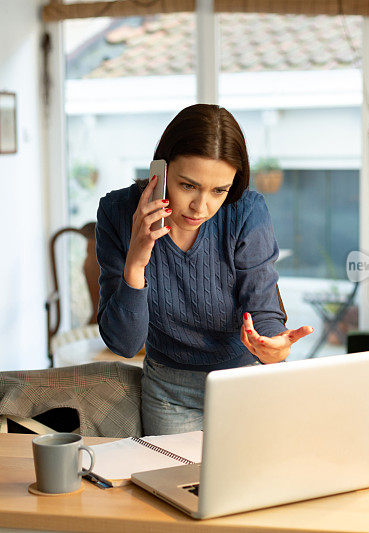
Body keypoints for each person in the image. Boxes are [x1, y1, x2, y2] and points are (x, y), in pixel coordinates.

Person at [95, 104, 313, 435]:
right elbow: (124, 343)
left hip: (244, 385)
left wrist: (272, 346)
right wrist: (137, 259)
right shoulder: (117, 212)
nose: (201, 207)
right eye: (187, 186)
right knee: (175, 485)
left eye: (218, 191)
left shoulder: (245, 212)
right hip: (170, 395)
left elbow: (263, 308)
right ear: (161, 170)